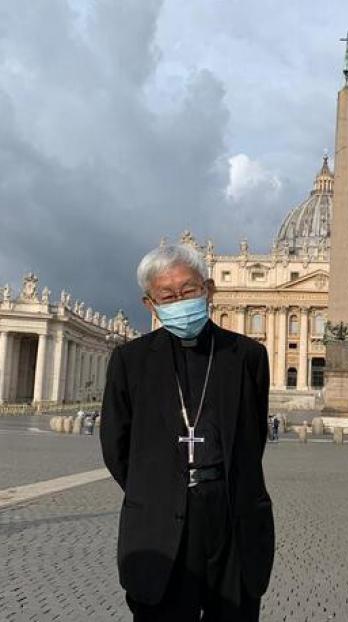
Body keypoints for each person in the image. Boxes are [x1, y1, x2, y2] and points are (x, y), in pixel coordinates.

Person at [101, 244, 274, 621]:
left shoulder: (247, 356)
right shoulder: (129, 361)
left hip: (233, 522)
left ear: (209, 290)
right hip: (159, 524)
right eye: (168, 295)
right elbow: (116, 447)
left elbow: (252, 437)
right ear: (151, 304)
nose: (180, 300)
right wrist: (157, 491)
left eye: (189, 291)